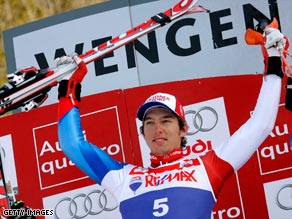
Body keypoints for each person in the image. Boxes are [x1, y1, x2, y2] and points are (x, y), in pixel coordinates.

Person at [56, 25, 286, 218]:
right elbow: (73, 145)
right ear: (142, 133)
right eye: (149, 123)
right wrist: (68, 87)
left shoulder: (207, 168)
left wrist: (273, 61)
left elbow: (261, 125)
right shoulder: (123, 177)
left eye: (166, 121)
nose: (158, 129)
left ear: (183, 129)